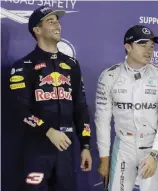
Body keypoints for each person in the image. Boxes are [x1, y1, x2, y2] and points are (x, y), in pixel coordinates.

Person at [9, 6, 92, 191]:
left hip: (66, 150)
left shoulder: (72, 65)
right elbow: (20, 110)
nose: (58, 25)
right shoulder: (23, 66)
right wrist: (48, 131)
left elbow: (81, 107)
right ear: (37, 30)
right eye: (50, 21)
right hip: (36, 150)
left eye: (58, 20)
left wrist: (85, 145)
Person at [95, 25, 158, 191]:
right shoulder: (109, 76)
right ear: (128, 47)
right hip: (124, 145)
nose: (149, 50)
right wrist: (104, 157)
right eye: (142, 45)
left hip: (153, 145)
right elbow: (102, 120)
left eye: (151, 46)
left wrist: (155, 154)